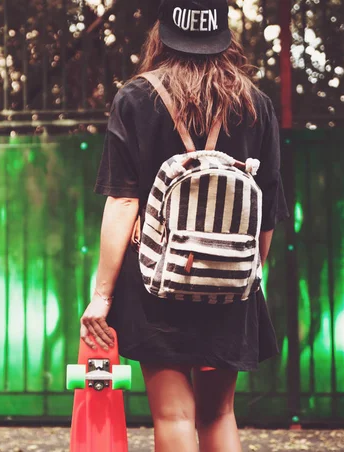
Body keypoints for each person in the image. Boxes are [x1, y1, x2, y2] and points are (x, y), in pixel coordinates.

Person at [80, 0, 289, 450]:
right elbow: (267, 209)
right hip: (231, 288)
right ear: (222, 37)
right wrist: (242, 276)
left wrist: (102, 296)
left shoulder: (135, 98)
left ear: (164, 34)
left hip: (158, 285)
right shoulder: (257, 104)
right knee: (218, 414)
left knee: (174, 415)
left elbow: (122, 201)